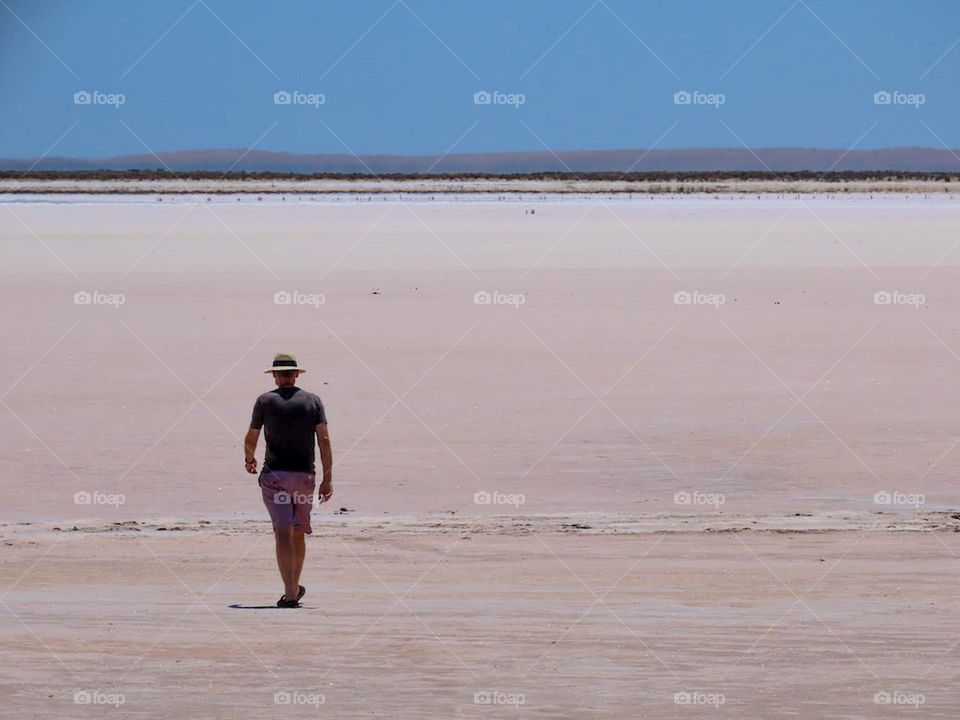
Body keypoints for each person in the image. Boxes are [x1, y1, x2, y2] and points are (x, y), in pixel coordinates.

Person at [244, 353, 333, 608]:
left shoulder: (265, 401)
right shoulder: (313, 401)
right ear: (295, 374)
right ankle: (294, 587)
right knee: (297, 532)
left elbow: (252, 435)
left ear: (274, 375)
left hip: (275, 477)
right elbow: (324, 441)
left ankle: (291, 592)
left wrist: (249, 459)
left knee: (282, 531)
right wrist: (328, 478)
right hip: (305, 477)